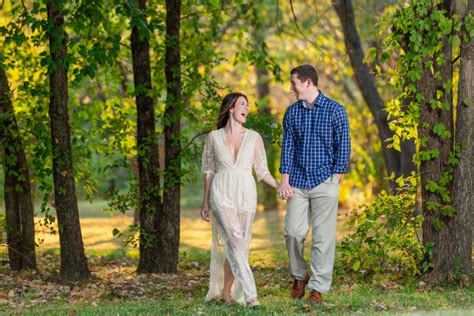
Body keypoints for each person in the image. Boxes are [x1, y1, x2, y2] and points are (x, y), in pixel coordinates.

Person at [278, 64, 351, 304]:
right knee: (293, 232)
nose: (292, 88)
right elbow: (287, 146)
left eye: (294, 83)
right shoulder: (291, 113)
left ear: (307, 83)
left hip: (325, 180)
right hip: (297, 182)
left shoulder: (335, 110)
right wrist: (285, 180)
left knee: (323, 238)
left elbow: (344, 146)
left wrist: (336, 178)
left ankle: (317, 287)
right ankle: (300, 275)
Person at [201, 92, 279, 308]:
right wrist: (205, 202)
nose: (247, 108)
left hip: (246, 193)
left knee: (238, 246)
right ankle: (251, 295)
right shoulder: (213, 137)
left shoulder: (254, 137)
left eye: (248, 105)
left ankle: (226, 292)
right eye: (243, 104)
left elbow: (262, 171)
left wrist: (280, 185)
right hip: (221, 191)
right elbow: (209, 171)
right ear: (230, 109)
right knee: (235, 240)